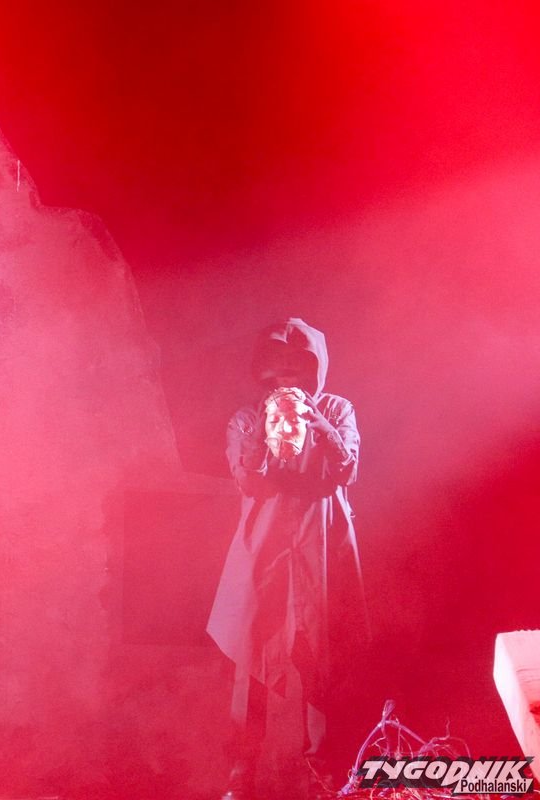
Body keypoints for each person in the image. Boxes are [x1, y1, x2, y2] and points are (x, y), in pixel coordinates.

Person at [206, 318, 369, 799]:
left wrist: (318, 426)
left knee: (320, 659)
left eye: (297, 365)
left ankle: (321, 771)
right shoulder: (247, 419)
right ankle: (242, 772)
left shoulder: (337, 409)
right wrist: (265, 430)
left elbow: (348, 469)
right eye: (277, 367)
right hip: (266, 550)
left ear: (314, 367)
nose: (287, 376)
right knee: (252, 660)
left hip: (320, 548)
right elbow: (248, 481)